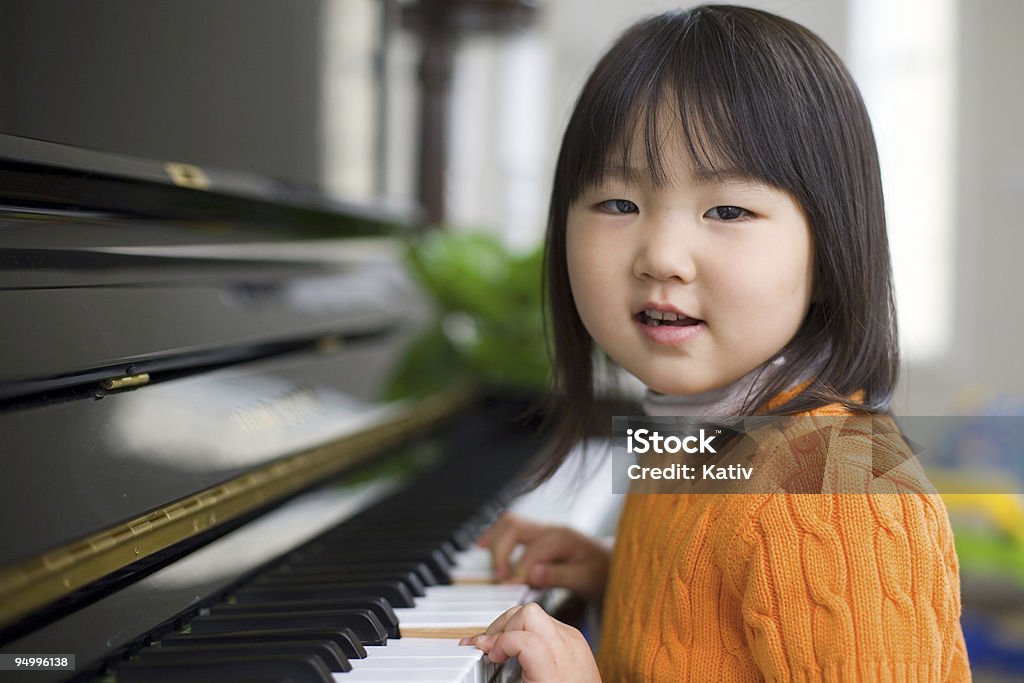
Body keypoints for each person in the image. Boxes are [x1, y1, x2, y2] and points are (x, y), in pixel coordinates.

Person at [458, 4, 972, 682]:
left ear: (830, 251)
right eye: (618, 203)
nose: (663, 256)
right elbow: (727, 628)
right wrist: (614, 578)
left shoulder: (838, 497)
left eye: (727, 210)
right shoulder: (700, 431)